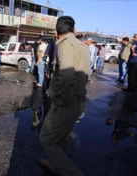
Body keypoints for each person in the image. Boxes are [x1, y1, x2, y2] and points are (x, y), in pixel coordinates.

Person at [39, 16, 90, 176]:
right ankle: (55, 166)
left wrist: (64, 98)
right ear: (74, 30)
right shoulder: (81, 46)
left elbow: (67, 76)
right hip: (78, 100)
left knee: (46, 139)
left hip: (66, 102)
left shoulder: (66, 45)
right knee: (62, 137)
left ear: (56, 31)